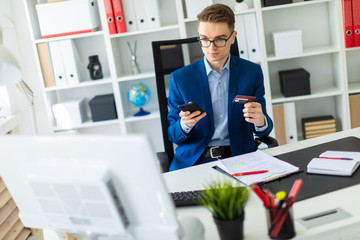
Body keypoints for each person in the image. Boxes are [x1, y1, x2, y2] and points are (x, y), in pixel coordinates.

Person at [167, 3, 273, 171]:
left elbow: (262, 128)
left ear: (232, 37)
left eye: (220, 39)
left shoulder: (251, 72)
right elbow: (173, 135)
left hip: (241, 158)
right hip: (195, 161)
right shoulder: (180, 79)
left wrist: (260, 121)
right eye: (204, 39)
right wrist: (184, 124)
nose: (211, 47)